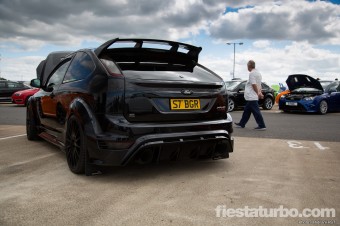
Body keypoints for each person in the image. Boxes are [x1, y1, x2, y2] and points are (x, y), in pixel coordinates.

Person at [234, 60, 266, 130]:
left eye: (247, 66)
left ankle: (262, 125)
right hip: (252, 96)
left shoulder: (252, 73)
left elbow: (254, 85)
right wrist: (260, 93)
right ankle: (242, 124)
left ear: (249, 66)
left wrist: (258, 93)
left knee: (256, 112)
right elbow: (259, 85)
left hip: (252, 96)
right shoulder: (258, 73)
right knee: (246, 111)